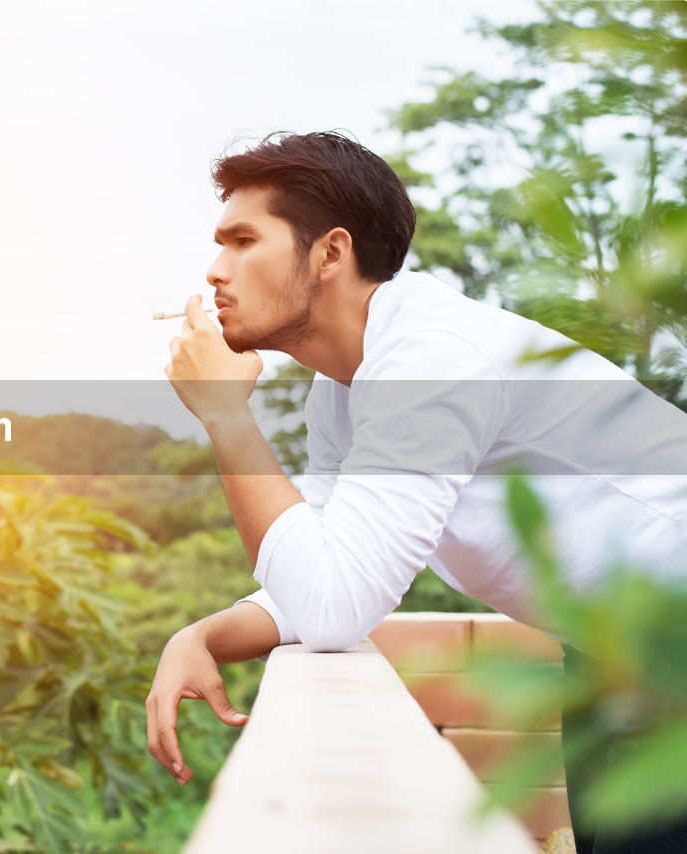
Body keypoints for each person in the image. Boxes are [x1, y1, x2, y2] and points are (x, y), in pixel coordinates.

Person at [147, 130, 687, 853]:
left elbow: (334, 606)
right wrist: (207, 634)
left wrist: (224, 413)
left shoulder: (430, 363)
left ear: (330, 254)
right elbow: (334, 569)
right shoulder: (344, 392)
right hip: (613, 650)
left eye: (243, 241)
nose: (215, 272)